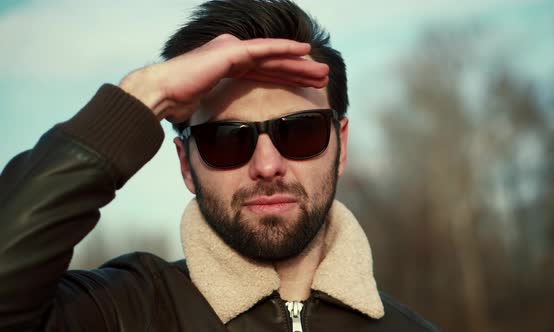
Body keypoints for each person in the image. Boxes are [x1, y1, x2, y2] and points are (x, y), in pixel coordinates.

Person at [0, 0, 438, 331]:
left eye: (301, 132)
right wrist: (145, 95)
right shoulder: (123, 310)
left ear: (340, 145)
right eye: (227, 140)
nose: (267, 166)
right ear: (186, 165)